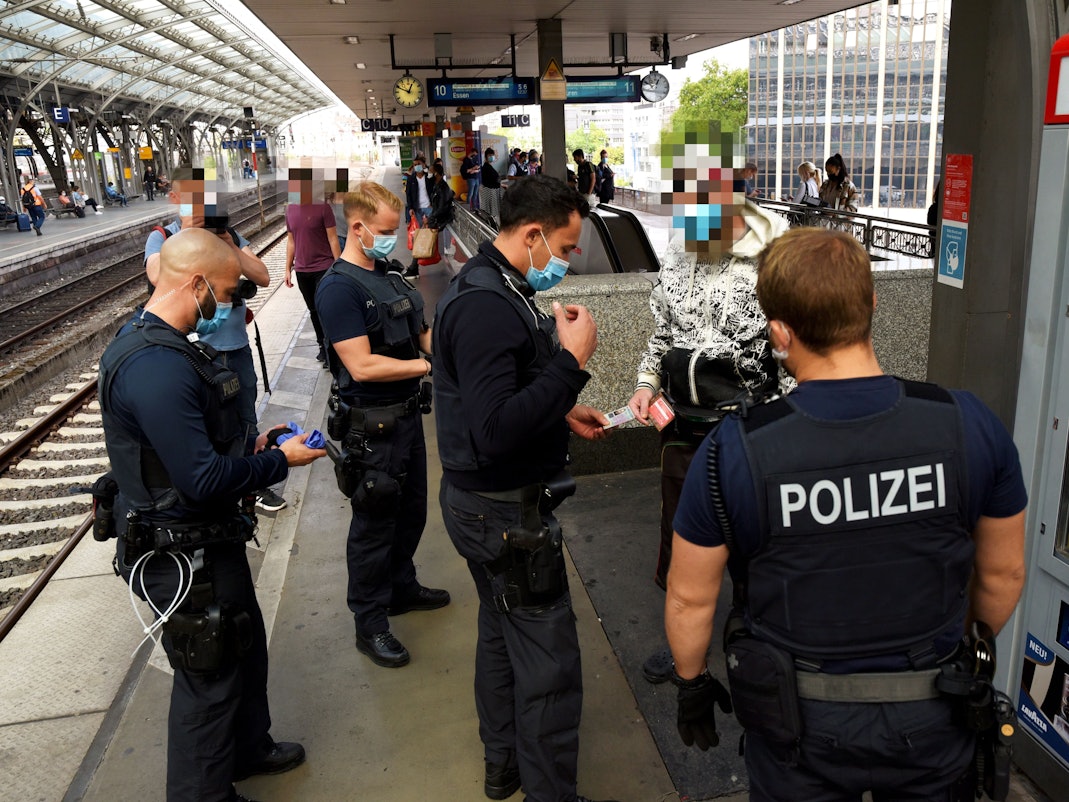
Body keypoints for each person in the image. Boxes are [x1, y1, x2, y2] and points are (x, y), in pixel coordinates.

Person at [665, 226, 1027, 801]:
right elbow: (1004, 574)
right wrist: (949, 649)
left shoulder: (733, 451)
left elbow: (690, 598)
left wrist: (691, 682)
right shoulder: (968, 424)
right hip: (935, 719)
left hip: (797, 728)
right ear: (871, 305)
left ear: (779, 331)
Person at [99, 227, 326, 802]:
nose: (231, 305)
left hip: (207, 542)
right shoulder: (156, 366)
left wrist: (250, 448)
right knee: (210, 679)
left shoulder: (165, 346)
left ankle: (249, 748)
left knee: (243, 650)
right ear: (196, 283)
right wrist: (278, 461)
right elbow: (198, 480)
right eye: (227, 293)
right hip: (182, 557)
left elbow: (186, 454)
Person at [433, 175, 615, 802]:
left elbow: (503, 393)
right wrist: (571, 362)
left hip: (485, 509)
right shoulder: (485, 305)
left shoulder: (499, 285)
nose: (567, 259)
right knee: (549, 664)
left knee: (501, 636)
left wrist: (561, 408)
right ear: (534, 234)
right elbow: (493, 429)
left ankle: (503, 766)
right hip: (502, 513)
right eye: (565, 246)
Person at [628, 124, 788, 684]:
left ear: (734, 188)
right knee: (681, 541)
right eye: (683, 198)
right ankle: (682, 650)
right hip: (683, 433)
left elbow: (796, 356)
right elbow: (661, 336)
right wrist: (648, 382)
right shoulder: (679, 256)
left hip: (751, 434)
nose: (691, 213)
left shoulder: (775, 261)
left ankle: (757, 644)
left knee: (755, 551)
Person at [315, 181, 450, 669]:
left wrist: (452, 352)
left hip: (407, 417)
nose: (395, 238)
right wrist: (428, 368)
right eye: (388, 231)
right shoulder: (338, 289)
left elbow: (421, 334)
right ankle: (369, 623)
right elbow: (363, 365)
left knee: (412, 512)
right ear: (358, 227)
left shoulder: (390, 276)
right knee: (374, 525)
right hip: (372, 428)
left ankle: (400, 588)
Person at [143, 167, 285, 514]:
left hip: (234, 347)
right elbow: (157, 273)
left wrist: (226, 245)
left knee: (244, 419)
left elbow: (263, 276)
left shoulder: (228, 235)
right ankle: (211, 490)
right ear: (174, 198)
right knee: (205, 424)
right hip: (192, 354)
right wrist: (190, 236)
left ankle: (255, 484)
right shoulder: (162, 236)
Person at [284, 176, 341, 365]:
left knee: (326, 309)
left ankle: (333, 347)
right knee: (313, 311)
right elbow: (291, 241)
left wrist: (339, 266)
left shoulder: (323, 208)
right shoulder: (290, 210)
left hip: (323, 267)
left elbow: (333, 238)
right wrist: (287, 269)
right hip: (302, 270)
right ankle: (322, 347)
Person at [404, 155, 432, 227]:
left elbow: (434, 191)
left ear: (423, 164)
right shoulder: (411, 179)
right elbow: (408, 194)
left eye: (419, 164)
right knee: (419, 230)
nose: (417, 166)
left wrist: (432, 204)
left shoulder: (429, 178)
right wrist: (410, 208)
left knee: (430, 230)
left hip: (428, 207)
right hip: (417, 208)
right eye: (415, 165)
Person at [479, 147, 503, 223]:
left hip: (492, 190)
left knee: (492, 211)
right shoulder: (485, 167)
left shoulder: (489, 167)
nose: (491, 157)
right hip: (489, 191)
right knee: (491, 211)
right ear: (486, 156)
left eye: (492, 155)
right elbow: (491, 179)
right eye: (490, 155)